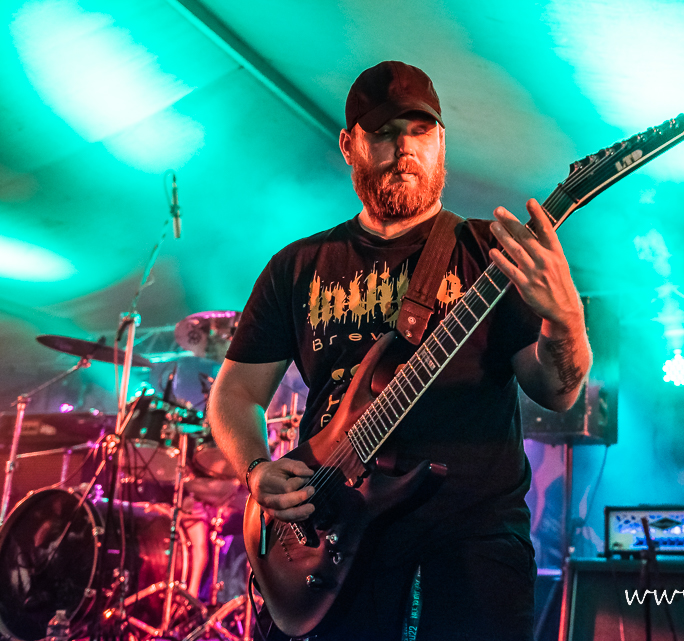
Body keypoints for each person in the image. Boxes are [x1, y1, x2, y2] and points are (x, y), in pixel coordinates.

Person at [209, 60, 591, 641]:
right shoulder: (297, 266)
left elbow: (557, 393)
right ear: (349, 145)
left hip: (469, 551)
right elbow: (235, 393)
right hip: (329, 537)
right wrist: (256, 469)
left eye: (420, 131)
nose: (404, 147)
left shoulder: (492, 253)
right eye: (384, 132)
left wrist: (566, 322)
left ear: (441, 143)